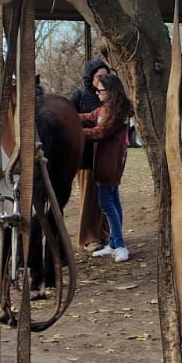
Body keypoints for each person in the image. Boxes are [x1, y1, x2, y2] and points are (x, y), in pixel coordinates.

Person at [80, 71, 132, 260]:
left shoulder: (116, 111)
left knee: (106, 203)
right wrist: (71, 117)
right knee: (113, 201)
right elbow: (89, 117)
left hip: (109, 162)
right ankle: (113, 242)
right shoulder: (105, 108)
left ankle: (119, 245)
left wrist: (77, 133)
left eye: (100, 91)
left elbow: (100, 132)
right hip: (105, 161)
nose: (97, 94)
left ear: (110, 91)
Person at [71, 56, 110, 250]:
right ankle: (89, 238)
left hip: (105, 155)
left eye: (106, 75)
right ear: (91, 78)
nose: (103, 79)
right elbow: (71, 120)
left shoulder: (108, 97)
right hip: (86, 155)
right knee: (88, 198)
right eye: (99, 76)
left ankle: (104, 234)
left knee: (104, 197)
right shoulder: (79, 96)